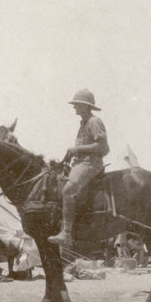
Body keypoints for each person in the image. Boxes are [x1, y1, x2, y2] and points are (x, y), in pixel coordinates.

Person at [48, 89, 110, 246]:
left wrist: (78, 150)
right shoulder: (84, 123)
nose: (74, 107)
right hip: (80, 162)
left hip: (90, 163)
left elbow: (103, 147)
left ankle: (66, 233)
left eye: (76, 104)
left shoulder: (94, 122)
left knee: (68, 191)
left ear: (85, 106)